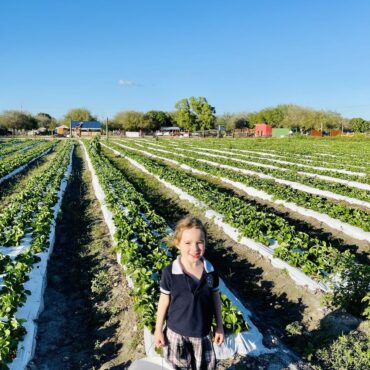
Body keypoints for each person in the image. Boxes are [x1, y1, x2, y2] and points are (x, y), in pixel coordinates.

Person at [154, 216, 224, 370]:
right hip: (175, 334)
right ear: (177, 244)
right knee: (177, 367)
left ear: (205, 242)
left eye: (200, 242)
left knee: (204, 367)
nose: (195, 248)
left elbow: (215, 298)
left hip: (202, 333)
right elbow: (164, 301)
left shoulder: (210, 271)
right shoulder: (169, 272)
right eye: (188, 243)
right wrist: (158, 329)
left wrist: (219, 325)